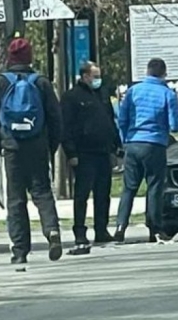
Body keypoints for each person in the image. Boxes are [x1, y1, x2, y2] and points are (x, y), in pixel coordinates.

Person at [0, 38, 63, 264]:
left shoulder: (0, 83)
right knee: (42, 192)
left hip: (11, 148)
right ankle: (52, 231)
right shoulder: (42, 83)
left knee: (16, 199)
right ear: (30, 57)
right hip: (38, 146)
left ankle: (20, 251)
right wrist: (51, 146)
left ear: (10, 57)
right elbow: (56, 119)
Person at [115, 58, 178, 243]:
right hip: (155, 144)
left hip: (133, 142)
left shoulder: (133, 91)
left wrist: (125, 140)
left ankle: (120, 226)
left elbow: (122, 119)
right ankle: (154, 228)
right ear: (164, 73)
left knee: (129, 188)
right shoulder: (167, 94)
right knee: (154, 187)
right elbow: (176, 124)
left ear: (147, 71)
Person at [61, 61, 121, 254]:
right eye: (95, 76)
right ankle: (80, 231)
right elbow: (66, 127)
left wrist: (115, 146)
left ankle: (101, 229)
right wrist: (71, 153)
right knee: (82, 195)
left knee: (103, 194)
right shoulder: (72, 97)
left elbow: (110, 121)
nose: (98, 80)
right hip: (84, 153)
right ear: (85, 76)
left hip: (103, 151)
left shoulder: (102, 94)